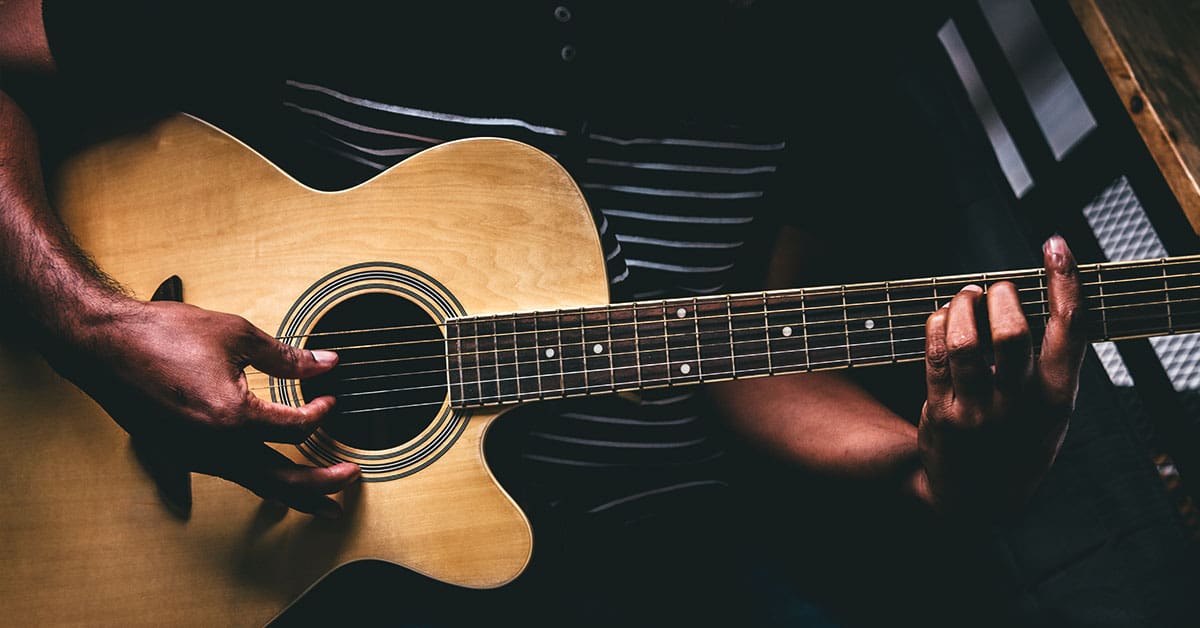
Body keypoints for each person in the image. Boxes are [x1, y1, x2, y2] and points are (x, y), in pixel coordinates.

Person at [0, 1, 1087, 625]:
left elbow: (751, 342)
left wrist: (934, 467)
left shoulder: (836, 38)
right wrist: (94, 330)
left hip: (657, 552)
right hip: (296, 551)